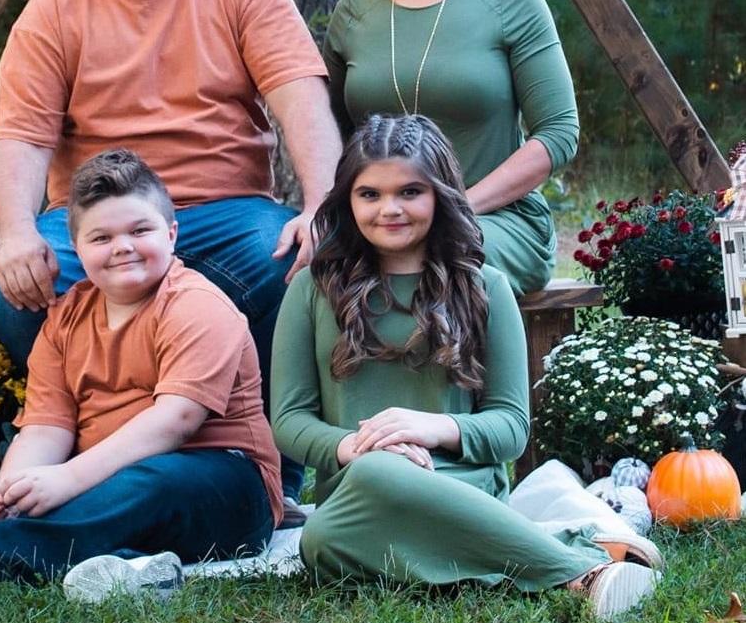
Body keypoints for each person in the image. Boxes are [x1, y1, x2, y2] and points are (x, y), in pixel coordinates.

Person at [0, 0, 342, 506]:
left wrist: (323, 203)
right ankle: (76, 454)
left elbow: (300, 98)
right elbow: (21, 137)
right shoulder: (56, 4)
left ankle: (270, 472)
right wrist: (16, 231)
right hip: (98, 216)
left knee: (289, 261)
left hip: (225, 210)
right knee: (13, 289)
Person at [271, 115, 661, 620]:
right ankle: (567, 548)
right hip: (356, 494)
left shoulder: (485, 287)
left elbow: (511, 428)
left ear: (441, 195)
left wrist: (434, 427)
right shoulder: (312, 289)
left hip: (460, 483)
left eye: (410, 192)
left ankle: (580, 575)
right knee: (321, 540)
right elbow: (289, 419)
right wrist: (355, 447)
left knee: (351, 517)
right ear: (347, 200)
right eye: (369, 194)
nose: (389, 209)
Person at [0, 149, 283, 596]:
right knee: (53, 483)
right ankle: (104, 562)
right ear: (78, 248)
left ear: (171, 234)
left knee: (147, 483)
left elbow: (175, 421)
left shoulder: (196, 305)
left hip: (223, 483)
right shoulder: (66, 318)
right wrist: (9, 492)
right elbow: (46, 427)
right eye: (101, 237)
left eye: (140, 230)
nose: (123, 247)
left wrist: (67, 479)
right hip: (104, 479)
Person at [323, 0, 578, 295]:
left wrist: (454, 209)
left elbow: (559, 133)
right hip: (383, 219)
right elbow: (332, 133)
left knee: (429, 260)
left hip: (494, 218)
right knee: (312, 270)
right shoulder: (353, 13)